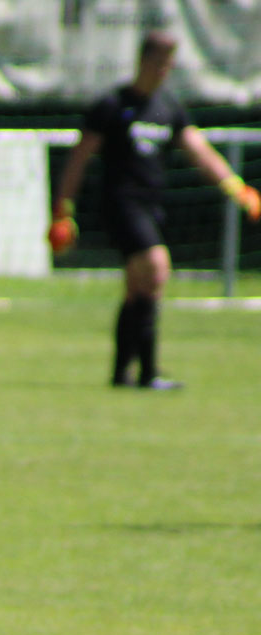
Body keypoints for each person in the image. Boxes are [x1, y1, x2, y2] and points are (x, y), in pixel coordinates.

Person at [51, 30, 261, 390]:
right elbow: (79, 159)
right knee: (157, 266)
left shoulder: (167, 107)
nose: (165, 70)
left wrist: (235, 187)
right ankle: (148, 374)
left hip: (150, 206)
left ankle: (122, 374)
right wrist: (63, 209)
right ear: (142, 61)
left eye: (169, 63)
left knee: (138, 289)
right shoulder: (112, 105)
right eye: (159, 61)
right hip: (119, 205)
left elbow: (199, 151)